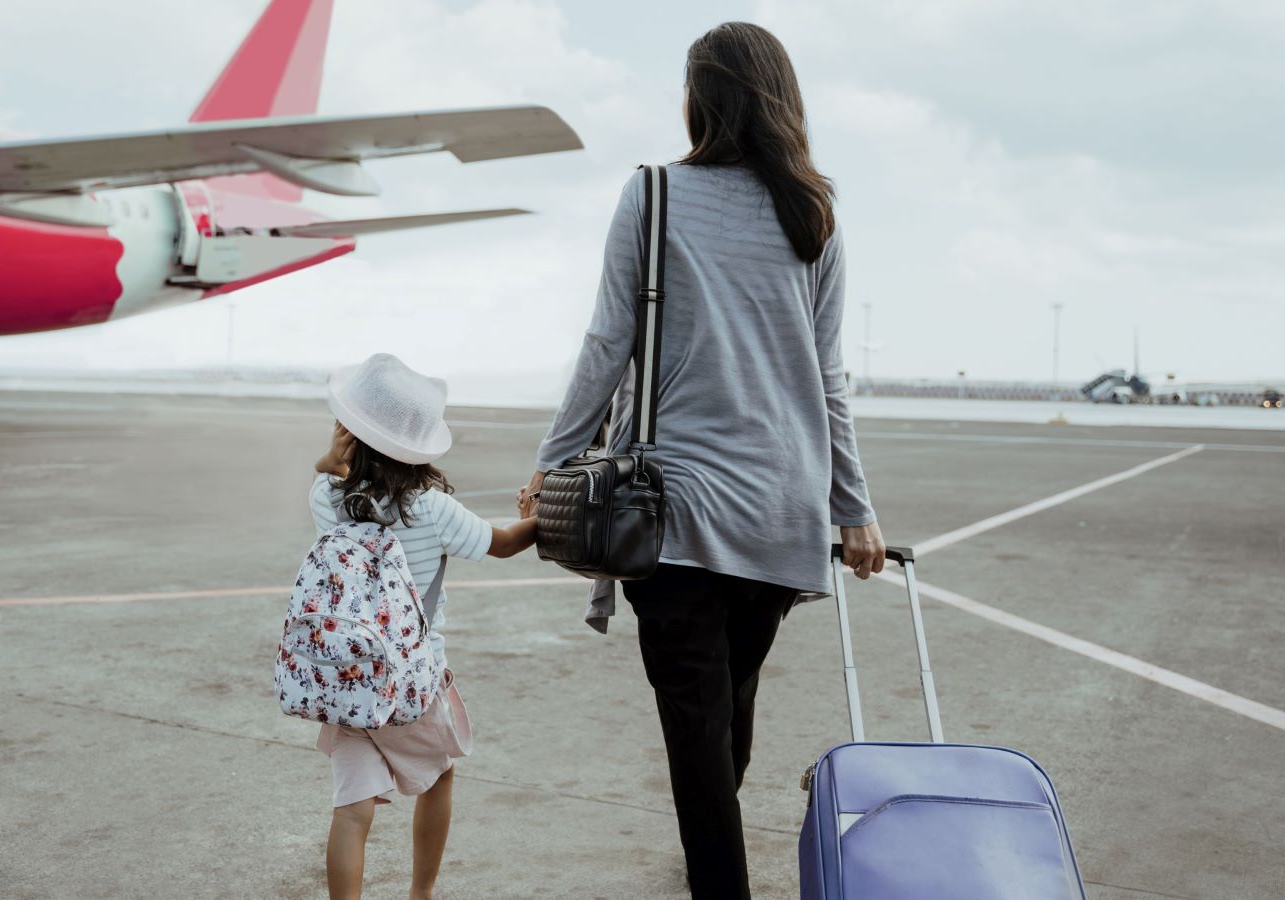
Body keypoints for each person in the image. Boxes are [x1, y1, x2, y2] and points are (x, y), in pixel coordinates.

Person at [519, 22, 888, 899]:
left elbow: (609, 342)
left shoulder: (652, 195)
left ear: (698, 99)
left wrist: (554, 460)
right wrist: (852, 507)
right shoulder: (815, 209)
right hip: (781, 511)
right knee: (726, 720)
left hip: (675, 513)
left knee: (699, 733)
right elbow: (829, 378)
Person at [311, 353, 539, 900]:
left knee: (353, 806)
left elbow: (332, 481)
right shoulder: (429, 508)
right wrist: (540, 516)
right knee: (438, 776)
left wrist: (326, 462)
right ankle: (421, 894)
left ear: (351, 436)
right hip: (411, 680)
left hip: (348, 678)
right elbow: (503, 544)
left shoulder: (326, 499)